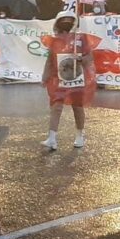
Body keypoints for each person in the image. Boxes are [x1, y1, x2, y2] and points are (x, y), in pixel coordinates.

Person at [40, 11, 97, 150]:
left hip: (77, 79)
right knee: (56, 106)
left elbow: (90, 58)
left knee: (77, 107)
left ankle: (79, 134)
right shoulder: (54, 42)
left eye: (68, 23)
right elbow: (50, 61)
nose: (64, 29)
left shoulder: (81, 40)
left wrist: (81, 59)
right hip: (59, 79)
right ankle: (52, 138)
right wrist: (45, 76)